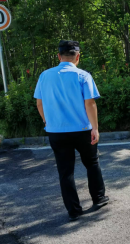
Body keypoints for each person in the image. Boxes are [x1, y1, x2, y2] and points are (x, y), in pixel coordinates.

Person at [34, 40, 109, 221]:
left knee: (65, 171)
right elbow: (90, 103)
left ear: (59, 56)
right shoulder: (83, 76)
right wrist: (95, 128)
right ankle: (98, 199)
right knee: (92, 163)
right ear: (78, 57)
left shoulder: (44, 76)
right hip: (82, 130)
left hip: (56, 131)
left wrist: (46, 121)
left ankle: (74, 210)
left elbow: (39, 103)